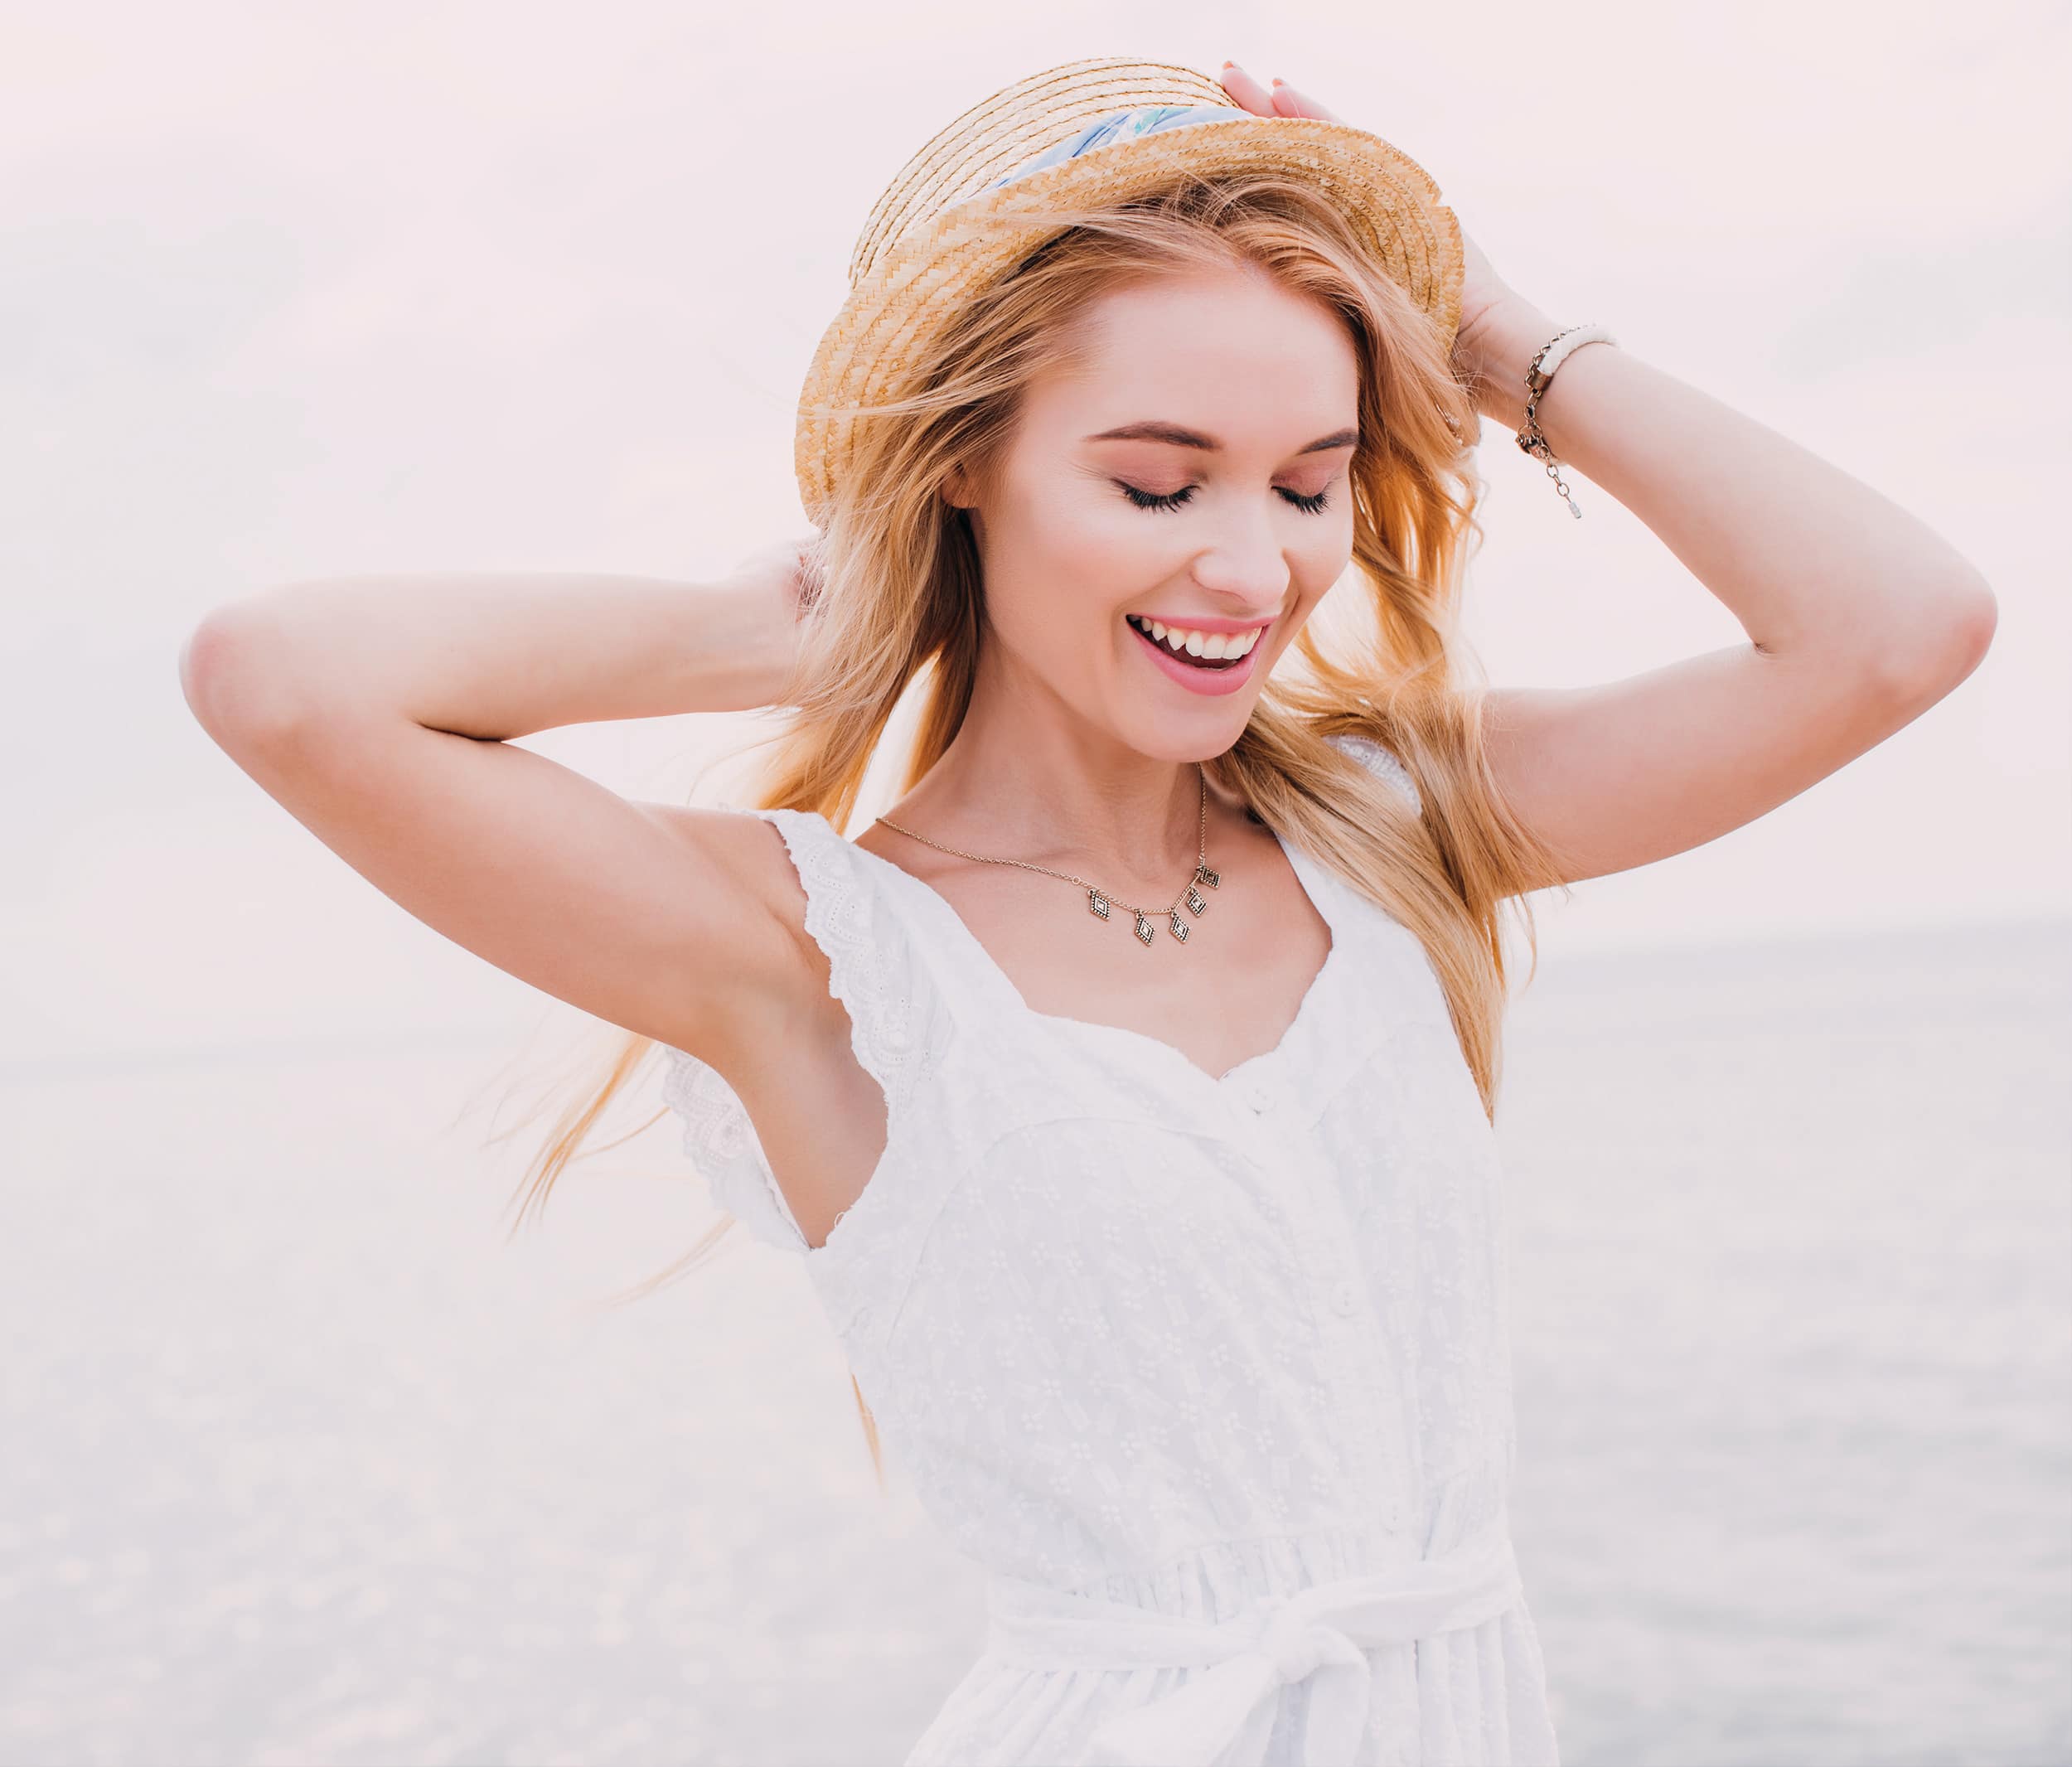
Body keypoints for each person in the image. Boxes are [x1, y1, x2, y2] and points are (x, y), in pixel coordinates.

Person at [179, 54, 1997, 1767]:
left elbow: (1893, 628)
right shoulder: (819, 958)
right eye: (1152, 478)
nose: (1249, 562)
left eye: (1308, 482)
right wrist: (788, 631)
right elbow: (280, 680)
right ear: (966, 463)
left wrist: (1495, 335)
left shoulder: (1389, 831)